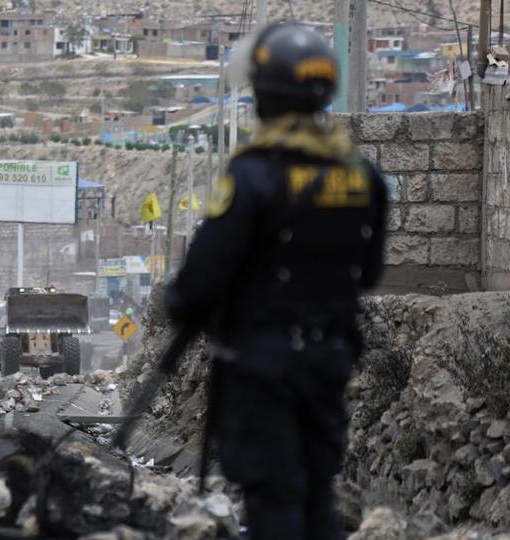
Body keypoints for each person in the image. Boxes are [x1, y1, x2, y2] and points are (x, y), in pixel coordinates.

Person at [163, 23, 387, 540]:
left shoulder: (254, 176)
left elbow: (196, 285)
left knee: (274, 497)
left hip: (262, 366)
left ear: (264, 95)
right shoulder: (361, 175)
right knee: (316, 492)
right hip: (329, 359)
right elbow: (369, 273)